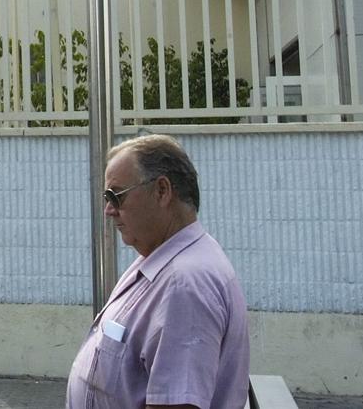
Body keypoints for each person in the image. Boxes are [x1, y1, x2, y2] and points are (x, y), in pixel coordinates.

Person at [66, 134, 249, 409]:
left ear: (162, 191)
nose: (108, 210)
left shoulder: (185, 287)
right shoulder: (160, 258)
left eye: (115, 196)